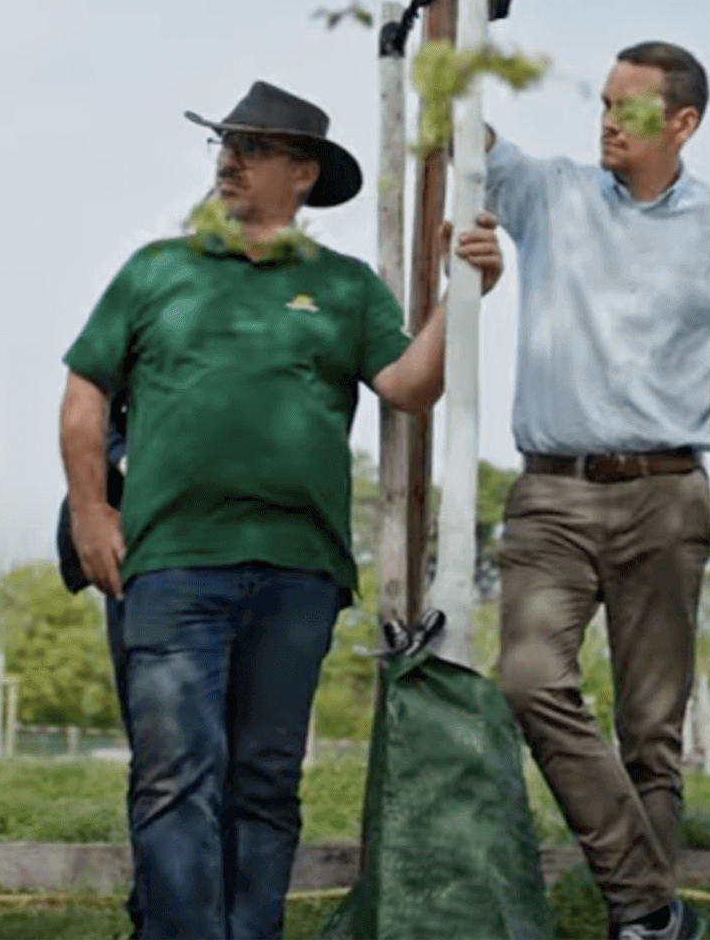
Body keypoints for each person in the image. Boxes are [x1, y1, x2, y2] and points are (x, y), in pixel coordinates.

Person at [60, 81, 501, 940]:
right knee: (172, 776)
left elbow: (411, 386)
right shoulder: (157, 268)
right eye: (225, 142)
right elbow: (85, 388)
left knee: (264, 780)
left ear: (302, 173)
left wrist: (463, 289)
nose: (229, 159)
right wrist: (89, 512)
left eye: (252, 146)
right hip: (172, 559)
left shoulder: (343, 286)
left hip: (298, 570)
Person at [480, 42, 710, 940]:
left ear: (683, 123)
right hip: (550, 496)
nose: (608, 119)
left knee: (651, 732)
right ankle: (652, 897)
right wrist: (445, 15)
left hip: (664, 494)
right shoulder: (551, 193)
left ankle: (641, 926)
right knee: (530, 678)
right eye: (604, 102)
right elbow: (462, 133)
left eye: (631, 107)